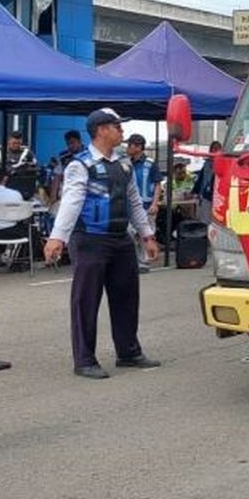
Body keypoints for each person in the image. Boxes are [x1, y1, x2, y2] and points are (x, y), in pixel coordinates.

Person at [45, 108, 159, 379]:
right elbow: (71, 201)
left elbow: (133, 202)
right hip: (89, 240)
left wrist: (147, 235)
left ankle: (128, 352)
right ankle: (85, 359)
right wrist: (57, 237)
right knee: (86, 301)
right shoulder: (80, 165)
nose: (122, 132)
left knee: (127, 297)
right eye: (117, 126)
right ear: (102, 130)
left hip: (121, 239)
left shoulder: (124, 164)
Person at [125, 134, 163, 273]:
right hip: (130, 206)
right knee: (129, 233)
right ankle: (133, 261)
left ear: (139, 147)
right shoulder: (127, 164)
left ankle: (144, 263)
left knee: (146, 234)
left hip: (147, 205)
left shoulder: (150, 164)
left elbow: (158, 184)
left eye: (131, 145)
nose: (128, 148)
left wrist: (155, 203)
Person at [191, 141, 223, 223]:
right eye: (214, 149)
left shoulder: (224, 163)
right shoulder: (206, 164)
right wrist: (194, 192)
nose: (215, 151)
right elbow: (200, 179)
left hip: (218, 198)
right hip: (206, 197)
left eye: (218, 149)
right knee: (205, 221)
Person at [48, 130, 85, 201]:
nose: (70, 146)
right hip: (67, 193)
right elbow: (57, 178)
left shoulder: (88, 156)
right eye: (68, 144)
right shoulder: (63, 157)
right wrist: (53, 198)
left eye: (72, 143)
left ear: (80, 142)